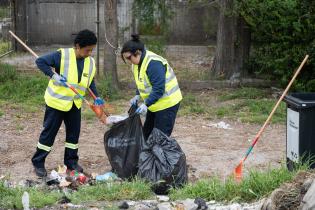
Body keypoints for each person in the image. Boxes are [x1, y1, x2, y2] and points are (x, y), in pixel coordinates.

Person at [31, 29, 104, 177]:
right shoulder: (62, 55)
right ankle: (38, 162)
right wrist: (53, 75)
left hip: (75, 105)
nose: (89, 53)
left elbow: (90, 82)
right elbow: (40, 61)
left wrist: (96, 96)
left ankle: (71, 162)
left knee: (73, 136)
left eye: (92, 50)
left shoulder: (90, 62)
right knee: (48, 135)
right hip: (56, 103)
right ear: (77, 46)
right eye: (87, 50)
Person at [121, 34, 182, 140]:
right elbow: (141, 82)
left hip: (167, 104)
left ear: (138, 53)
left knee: (160, 138)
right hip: (154, 104)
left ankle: (162, 156)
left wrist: (145, 104)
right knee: (147, 134)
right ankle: (149, 156)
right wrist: (137, 95)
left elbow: (159, 89)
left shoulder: (153, 63)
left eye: (129, 58)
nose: (129, 61)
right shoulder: (136, 65)